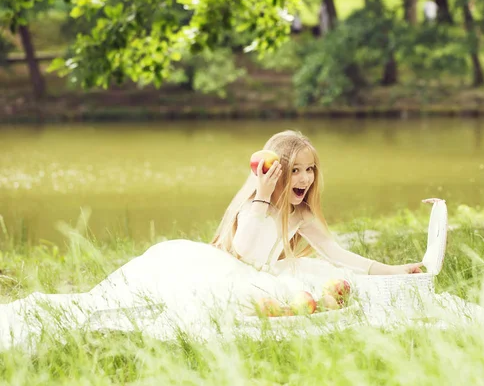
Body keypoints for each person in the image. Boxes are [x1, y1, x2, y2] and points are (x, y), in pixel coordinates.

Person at [0, 130, 425, 351]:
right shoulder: (252, 206)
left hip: (255, 278)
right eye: (294, 170)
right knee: (140, 307)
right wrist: (261, 194)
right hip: (221, 269)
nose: (304, 179)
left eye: (309, 170)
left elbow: (337, 252)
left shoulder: (303, 213)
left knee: (310, 283)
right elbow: (245, 251)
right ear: (275, 170)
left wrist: (394, 269)